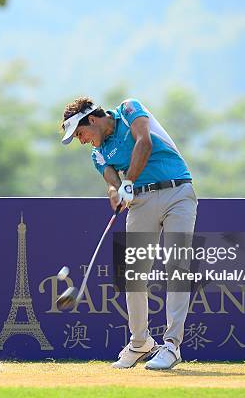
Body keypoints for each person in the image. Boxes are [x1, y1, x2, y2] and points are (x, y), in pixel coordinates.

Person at [60, 97, 197, 370]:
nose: (81, 140)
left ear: (92, 120)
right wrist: (116, 190)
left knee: (176, 268)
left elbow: (143, 142)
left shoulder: (128, 110)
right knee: (133, 275)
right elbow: (111, 176)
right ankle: (140, 343)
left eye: (80, 133)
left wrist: (129, 182)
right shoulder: (97, 152)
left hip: (177, 193)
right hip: (141, 203)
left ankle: (171, 346)